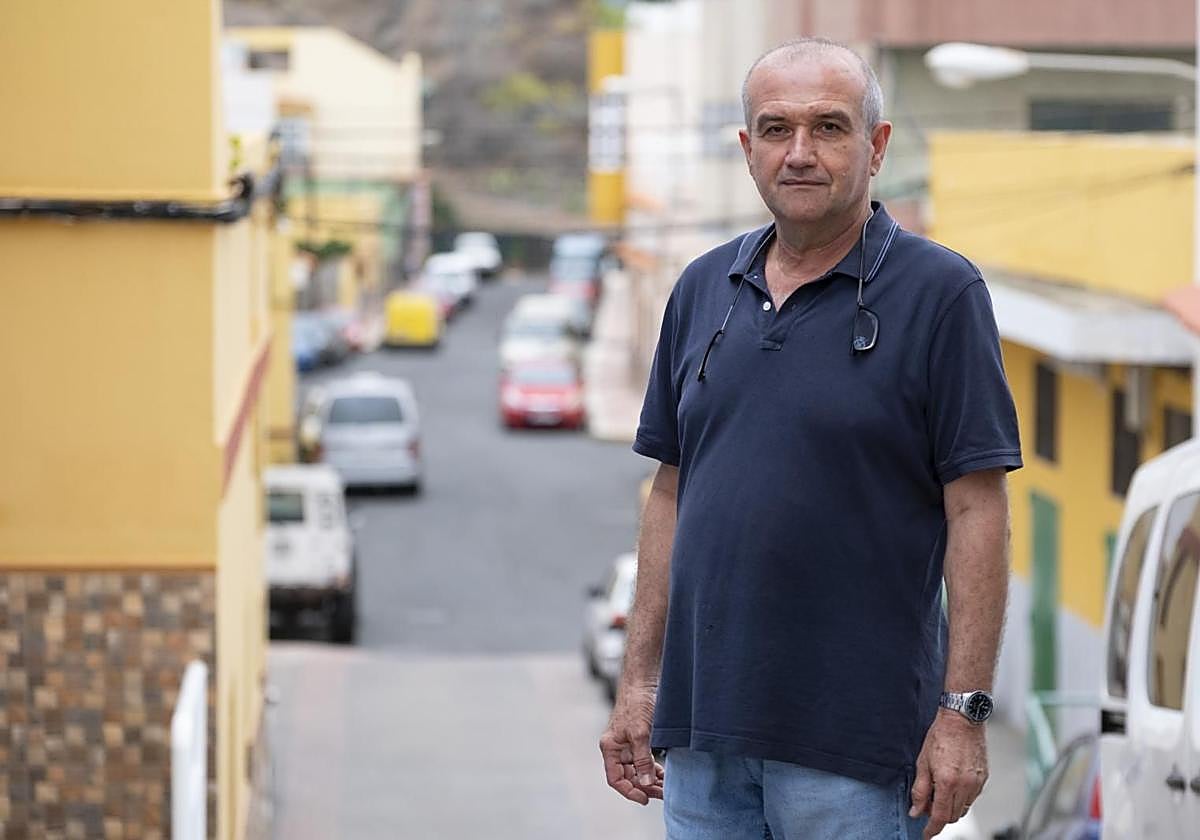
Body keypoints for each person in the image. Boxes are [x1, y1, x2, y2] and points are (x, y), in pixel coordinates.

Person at [599, 37, 1022, 840]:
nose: (799, 153)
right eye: (775, 129)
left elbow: (978, 511)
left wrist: (963, 713)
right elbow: (671, 492)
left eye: (829, 127)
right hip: (703, 738)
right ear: (747, 147)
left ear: (877, 144)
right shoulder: (700, 289)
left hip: (854, 751)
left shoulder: (941, 294)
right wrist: (640, 683)